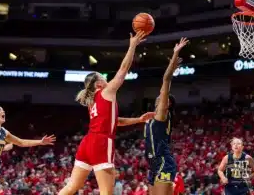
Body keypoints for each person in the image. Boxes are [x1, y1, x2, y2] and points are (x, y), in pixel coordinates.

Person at [58, 31, 153, 195]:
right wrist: (132, 46)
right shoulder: (106, 92)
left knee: (71, 187)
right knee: (106, 192)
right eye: (102, 77)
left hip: (87, 142)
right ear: (98, 84)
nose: (106, 78)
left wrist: (138, 119)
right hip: (101, 142)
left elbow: (115, 121)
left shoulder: (92, 100)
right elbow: (123, 69)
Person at [0, 105, 56, 195]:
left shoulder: (4, 132)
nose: (3, 112)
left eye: (3, 110)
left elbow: (21, 142)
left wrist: (40, 142)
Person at [144, 38, 189, 195]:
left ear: (167, 104)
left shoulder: (163, 114)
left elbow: (166, 79)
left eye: (165, 98)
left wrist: (175, 54)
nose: (161, 97)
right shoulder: (151, 118)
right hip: (153, 163)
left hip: (163, 161)